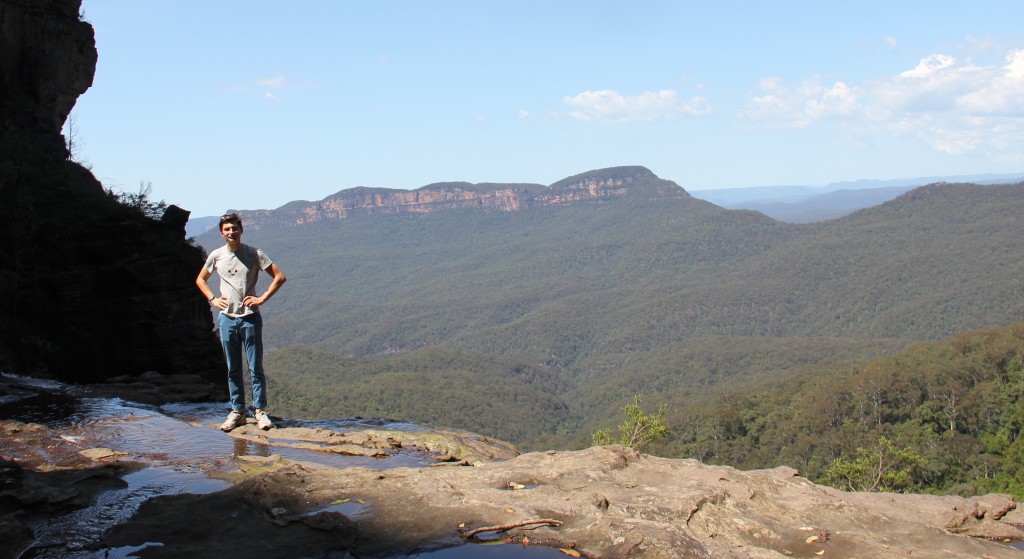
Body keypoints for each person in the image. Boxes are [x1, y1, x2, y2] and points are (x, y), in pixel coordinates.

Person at [196, 213, 286, 431]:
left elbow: (279, 276)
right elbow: (200, 279)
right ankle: (237, 411)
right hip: (227, 318)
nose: (231, 232)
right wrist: (212, 299)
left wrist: (261, 298)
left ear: (241, 230)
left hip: (250, 318)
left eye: (234, 228)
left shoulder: (254, 253)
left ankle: (259, 411)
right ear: (221, 232)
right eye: (227, 229)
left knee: (255, 367)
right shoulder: (217, 256)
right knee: (232, 368)